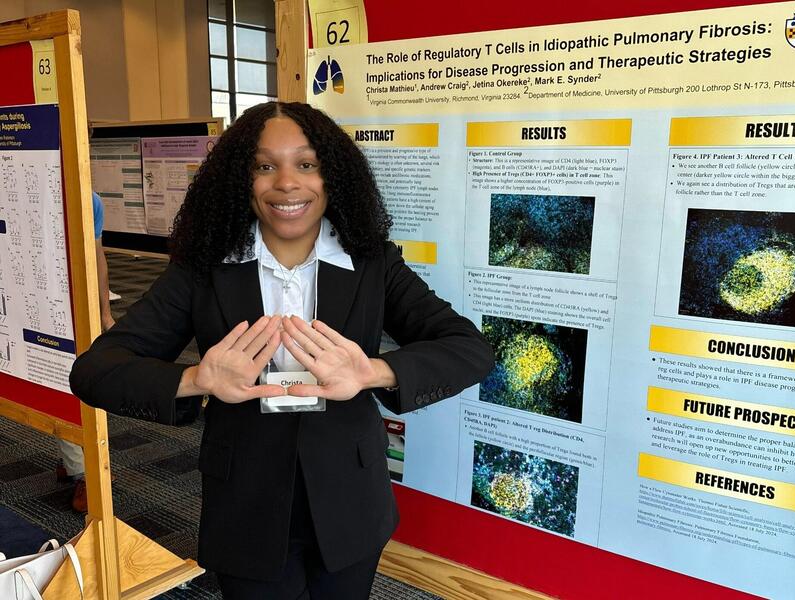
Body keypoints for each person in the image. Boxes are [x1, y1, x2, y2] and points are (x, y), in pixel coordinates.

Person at [70, 102, 493, 599]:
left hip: (349, 495)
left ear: (332, 175)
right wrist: (196, 381)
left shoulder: (372, 262)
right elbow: (95, 370)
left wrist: (372, 372)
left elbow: (469, 349)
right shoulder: (204, 268)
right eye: (265, 166)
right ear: (240, 180)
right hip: (246, 500)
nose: (287, 183)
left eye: (307, 164)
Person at [57, 190, 115, 513]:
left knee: (81, 376)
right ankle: (80, 470)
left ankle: (75, 463)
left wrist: (105, 312)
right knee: (60, 375)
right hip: (41, 297)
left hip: (76, 300)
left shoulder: (89, 199)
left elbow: (96, 256)